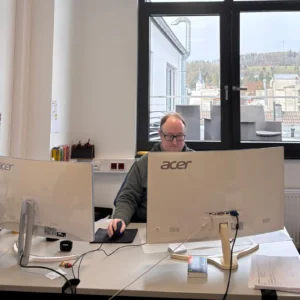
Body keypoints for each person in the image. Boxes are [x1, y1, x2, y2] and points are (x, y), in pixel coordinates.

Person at [107, 112, 194, 237]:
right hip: (148, 226)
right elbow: (128, 197)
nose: (175, 142)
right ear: (160, 135)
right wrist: (120, 218)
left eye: (179, 136)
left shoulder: (197, 162)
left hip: (189, 228)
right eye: (169, 136)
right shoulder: (143, 164)